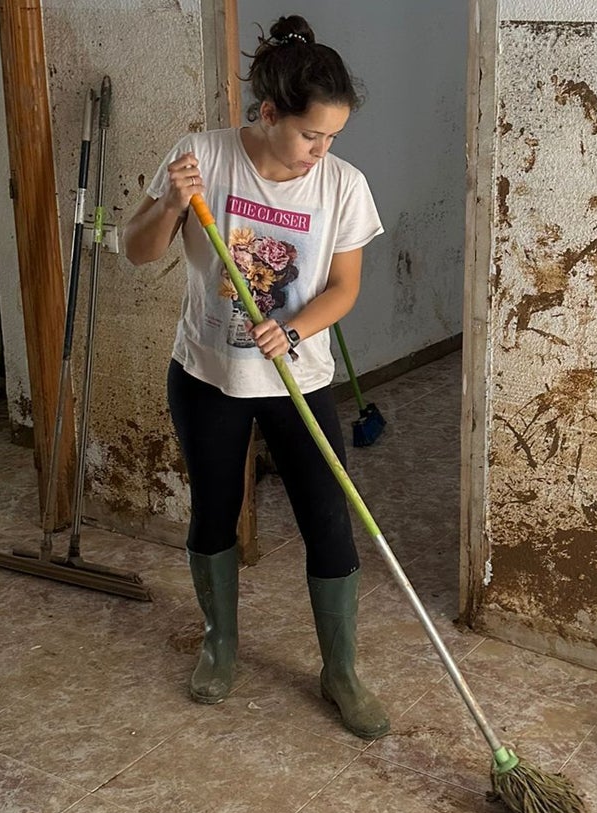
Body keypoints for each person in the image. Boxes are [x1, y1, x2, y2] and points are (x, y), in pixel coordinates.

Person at [122, 14, 388, 739]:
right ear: (268, 115)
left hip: (297, 378)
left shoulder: (343, 186)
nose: (322, 151)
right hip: (208, 375)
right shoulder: (202, 158)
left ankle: (341, 671)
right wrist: (172, 203)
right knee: (214, 510)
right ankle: (220, 644)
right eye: (311, 135)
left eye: (333, 136)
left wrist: (295, 326)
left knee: (327, 520)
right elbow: (136, 249)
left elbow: (342, 288)